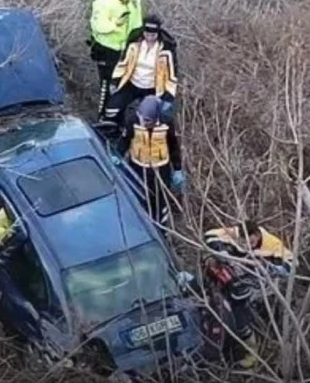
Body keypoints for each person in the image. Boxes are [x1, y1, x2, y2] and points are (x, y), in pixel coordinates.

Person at [203, 219, 294, 369]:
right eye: (243, 241)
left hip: (261, 281)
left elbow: (291, 265)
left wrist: (269, 267)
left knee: (240, 311)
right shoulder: (233, 233)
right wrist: (223, 253)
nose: (246, 245)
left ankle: (252, 352)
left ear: (257, 235)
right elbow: (210, 235)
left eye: (250, 241)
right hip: (237, 271)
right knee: (212, 267)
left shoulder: (272, 244)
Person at [113, 95, 185, 225]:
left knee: (160, 201)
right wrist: (117, 154)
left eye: (147, 121)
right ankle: (141, 225)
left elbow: (173, 146)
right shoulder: (132, 121)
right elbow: (124, 140)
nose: (144, 123)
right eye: (142, 119)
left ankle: (161, 229)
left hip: (160, 169)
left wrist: (178, 169)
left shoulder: (166, 123)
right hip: (138, 167)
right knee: (140, 198)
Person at [103, 14, 178, 127]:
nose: (150, 37)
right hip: (132, 83)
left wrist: (169, 93)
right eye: (147, 34)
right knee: (111, 109)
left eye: (153, 35)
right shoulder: (134, 45)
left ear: (157, 34)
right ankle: (114, 131)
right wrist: (115, 80)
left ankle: (134, 134)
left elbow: (172, 74)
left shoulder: (166, 50)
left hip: (152, 88)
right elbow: (123, 63)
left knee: (147, 116)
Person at [88, 0, 143, 119]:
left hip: (128, 48)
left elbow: (137, 20)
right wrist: (115, 24)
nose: (129, 0)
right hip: (108, 50)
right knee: (106, 84)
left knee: (125, 82)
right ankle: (102, 117)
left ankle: (118, 115)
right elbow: (97, 26)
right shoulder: (103, 3)